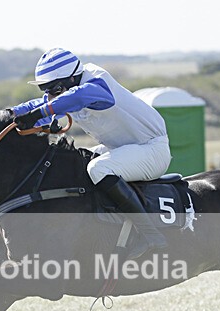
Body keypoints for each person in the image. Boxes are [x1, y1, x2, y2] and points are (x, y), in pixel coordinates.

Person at [11, 48, 171, 259]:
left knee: (98, 168)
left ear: (73, 78)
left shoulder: (96, 82)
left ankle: (150, 235)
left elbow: (76, 97)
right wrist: (7, 115)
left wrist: (40, 113)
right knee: (74, 161)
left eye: (54, 89)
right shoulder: (68, 90)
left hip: (152, 149)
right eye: (45, 89)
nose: (49, 95)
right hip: (123, 149)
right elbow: (39, 104)